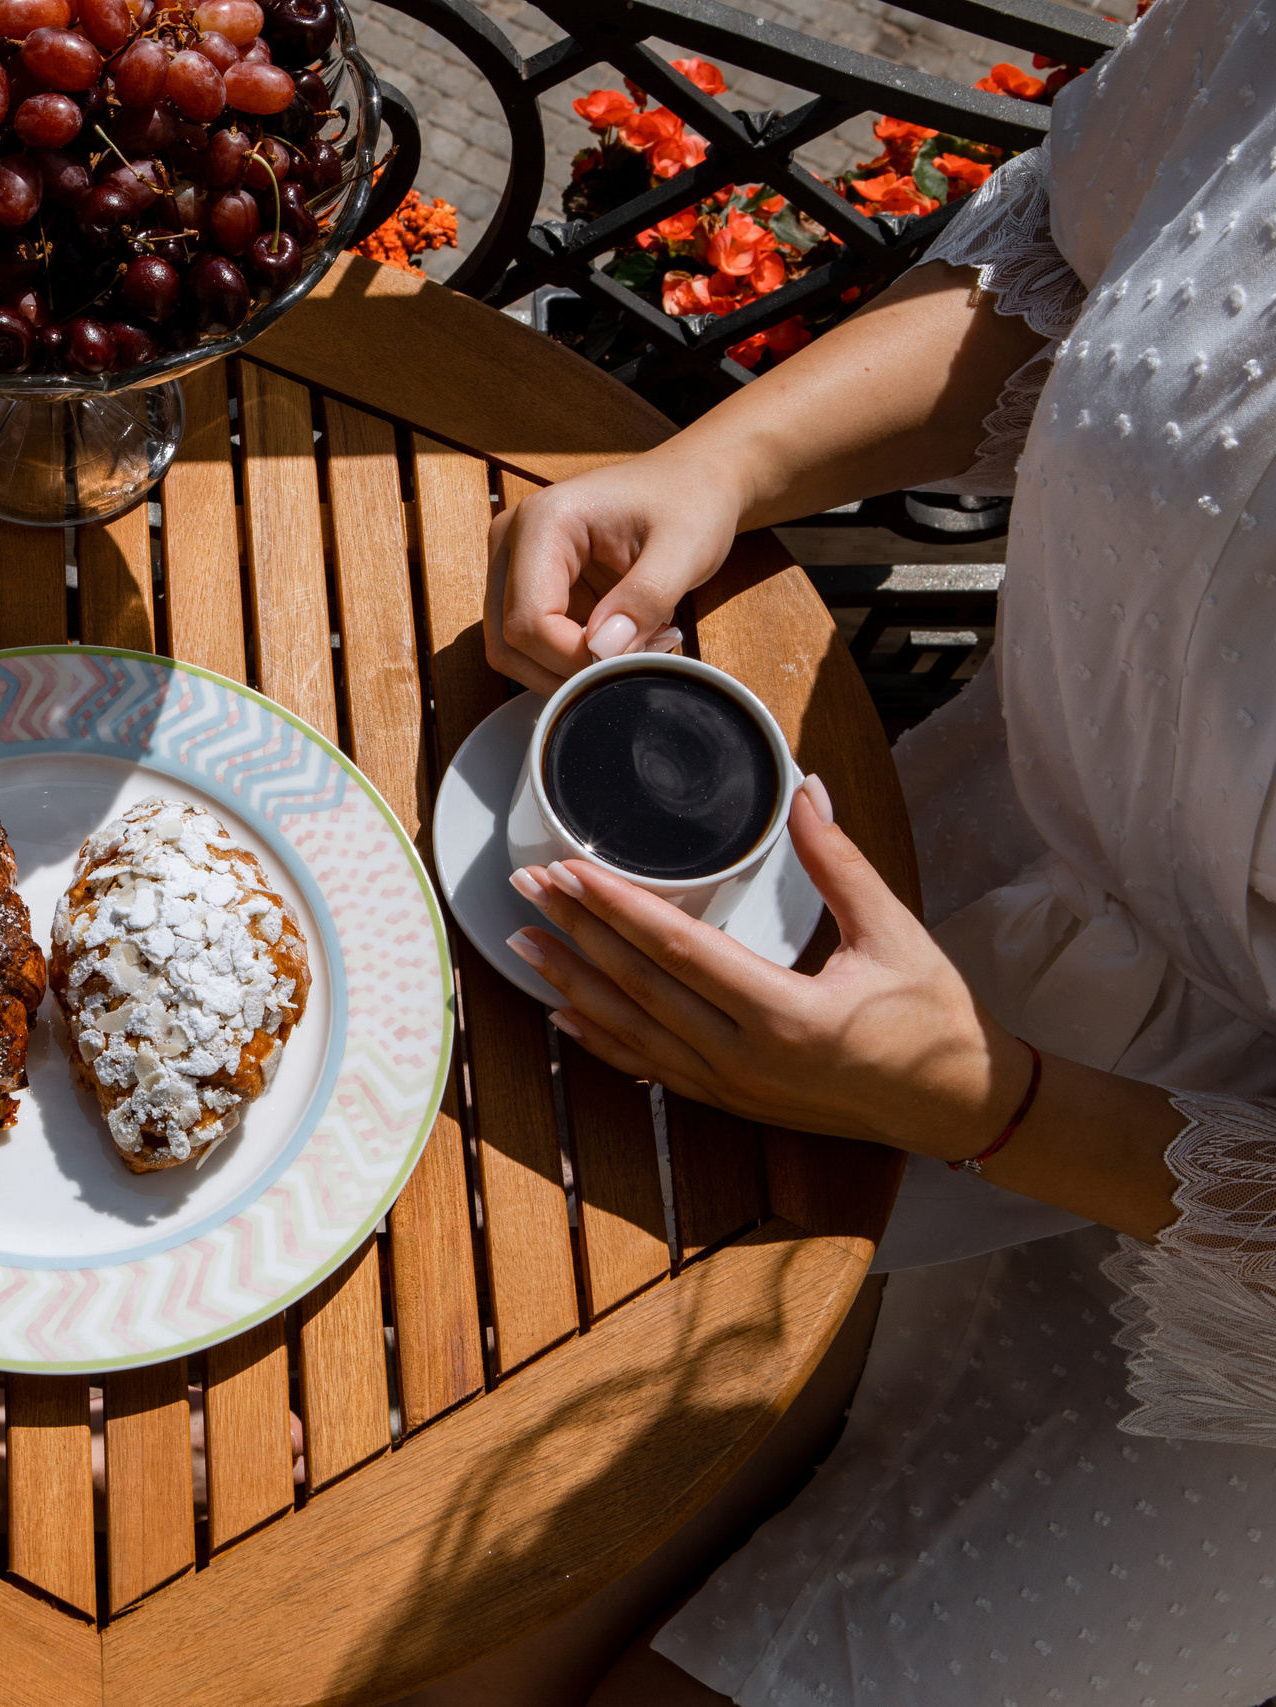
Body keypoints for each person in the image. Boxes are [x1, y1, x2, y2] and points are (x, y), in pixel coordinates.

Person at [451, 0, 1276, 1698]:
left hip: (1219, 1366)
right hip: (932, 875)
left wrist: (983, 1100)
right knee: (437, 1582)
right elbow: (1058, 272)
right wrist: (717, 463)